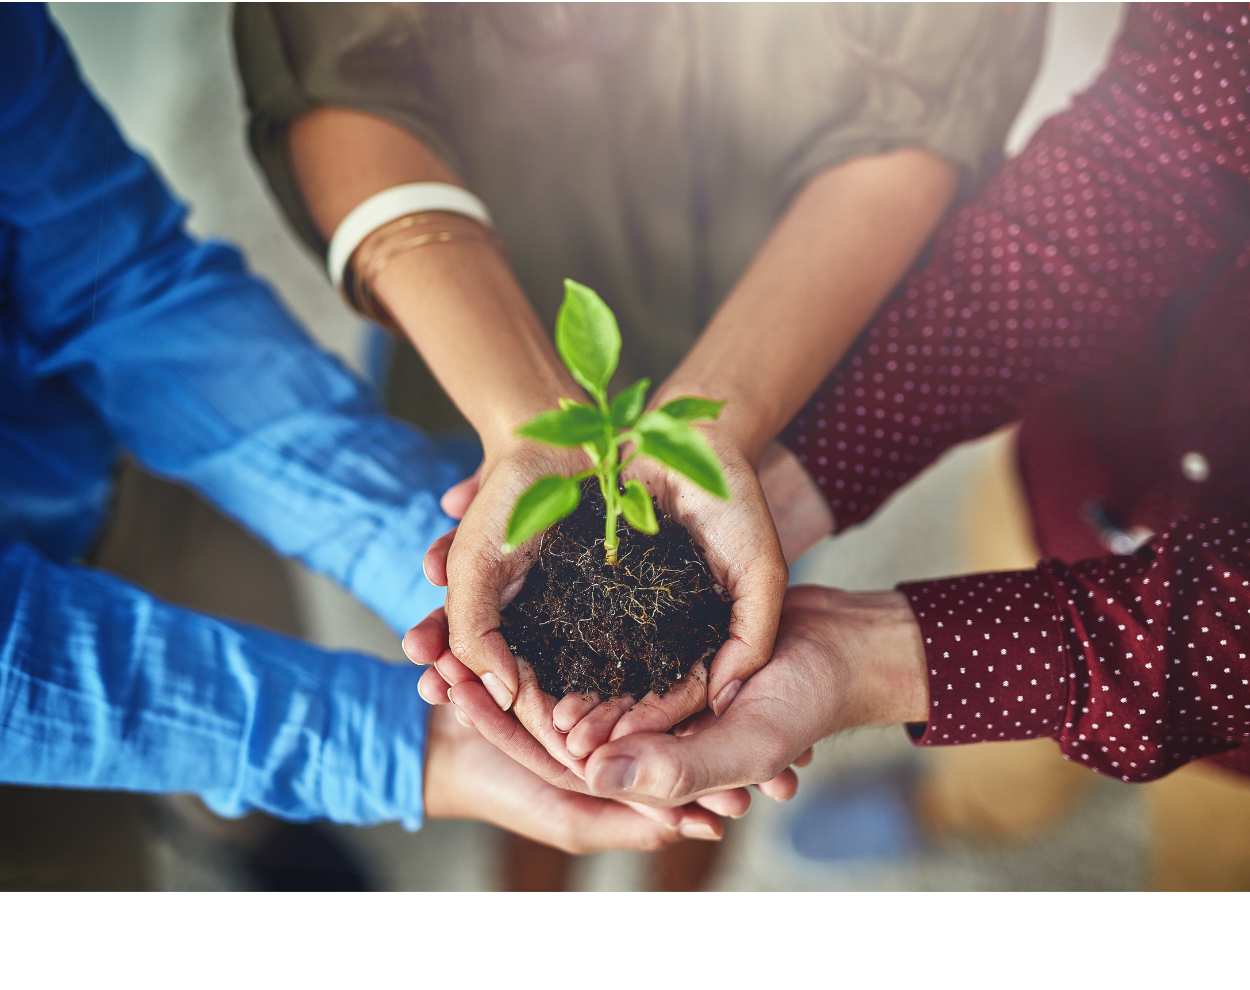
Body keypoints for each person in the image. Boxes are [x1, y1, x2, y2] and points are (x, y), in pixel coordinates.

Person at [500, 1, 1250, 867]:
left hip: (1232, 731)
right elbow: (1161, 153)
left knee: (1209, 869)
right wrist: (793, 483)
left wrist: (884, 660)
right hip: (1083, 481)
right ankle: (959, 812)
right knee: (996, 767)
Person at [0, 2, 721, 869]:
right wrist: (404, 753)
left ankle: (259, 834)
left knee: (243, 777)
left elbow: (118, 282)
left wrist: (466, 569)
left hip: (106, 465)